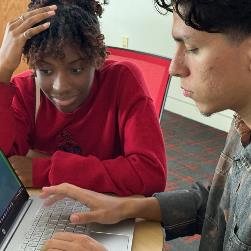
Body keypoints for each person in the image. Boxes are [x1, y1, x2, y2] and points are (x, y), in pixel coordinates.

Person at [40, 0, 251, 250]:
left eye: (192, 48)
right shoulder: (242, 123)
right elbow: (220, 206)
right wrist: (130, 206)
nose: (174, 68)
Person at [0, 0, 167, 196]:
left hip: (111, 210)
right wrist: (2, 71)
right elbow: (5, 167)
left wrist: (44, 168)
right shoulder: (25, 90)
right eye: (45, 70)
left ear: (97, 59)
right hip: (47, 205)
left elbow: (150, 174)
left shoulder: (122, 80)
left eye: (76, 69)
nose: (60, 86)